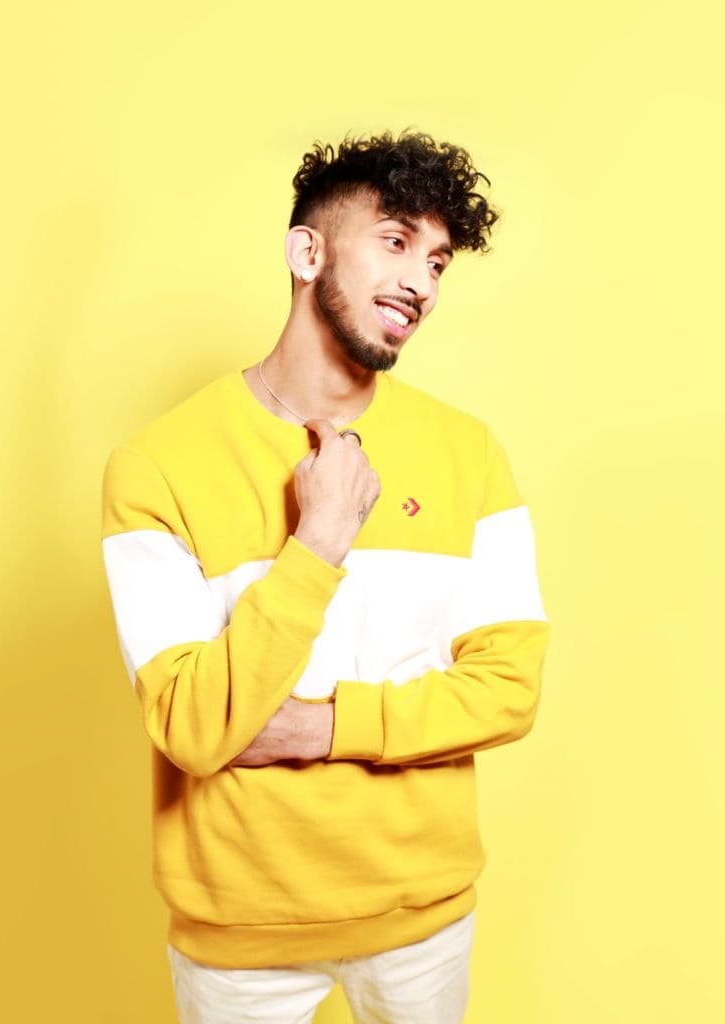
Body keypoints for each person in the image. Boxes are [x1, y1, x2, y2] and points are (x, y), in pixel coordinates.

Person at [100, 127, 551, 1023]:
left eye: (438, 261)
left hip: (422, 919)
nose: (421, 282)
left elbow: (509, 691)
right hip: (240, 933)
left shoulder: (471, 454)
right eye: (395, 241)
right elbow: (192, 727)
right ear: (307, 252)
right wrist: (318, 544)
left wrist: (318, 727)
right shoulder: (156, 466)